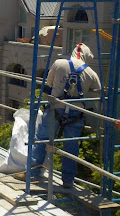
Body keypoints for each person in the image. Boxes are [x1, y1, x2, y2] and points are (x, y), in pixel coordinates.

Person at [31, 43, 101, 188]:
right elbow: (97, 94)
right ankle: (68, 181)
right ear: (87, 56)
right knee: (71, 146)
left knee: (42, 140)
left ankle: (33, 174)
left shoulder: (59, 63)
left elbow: (48, 85)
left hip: (55, 109)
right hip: (76, 114)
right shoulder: (91, 73)